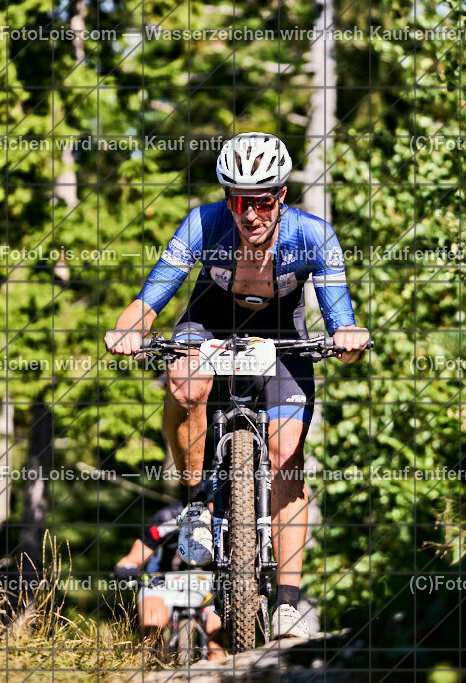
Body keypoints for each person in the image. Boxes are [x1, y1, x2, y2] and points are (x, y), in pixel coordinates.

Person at [106, 131, 370, 640]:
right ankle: (195, 506)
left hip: (282, 331)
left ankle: (288, 602)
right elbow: (153, 294)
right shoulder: (204, 224)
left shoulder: (313, 236)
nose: (250, 214)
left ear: (282, 196)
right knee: (184, 386)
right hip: (208, 320)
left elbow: (342, 320)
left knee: (287, 451)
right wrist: (128, 328)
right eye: (238, 201)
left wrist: (349, 337)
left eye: (262, 201)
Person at [114, 500, 225, 660]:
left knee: (215, 638)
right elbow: (133, 559)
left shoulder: (226, 519)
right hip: (160, 583)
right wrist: (126, 568)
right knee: (152, 632)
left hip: (203, 585)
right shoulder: (168, 516)